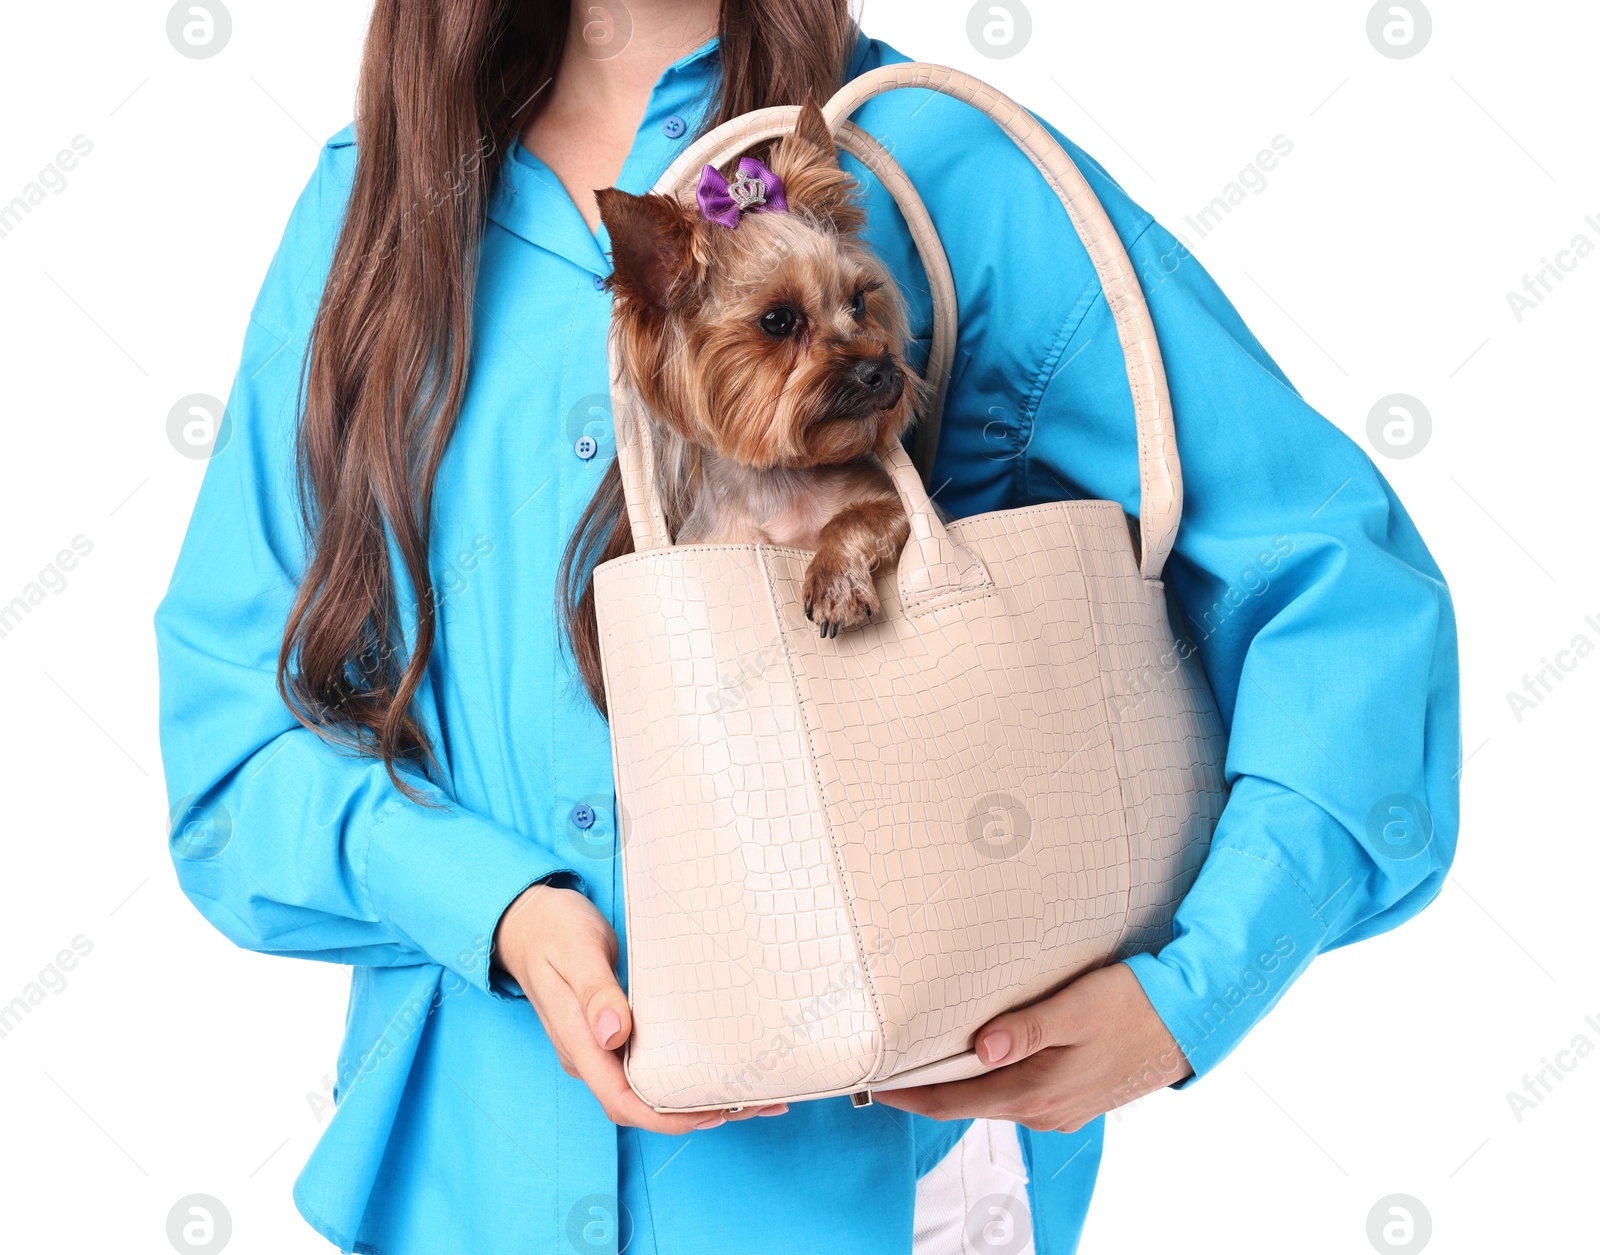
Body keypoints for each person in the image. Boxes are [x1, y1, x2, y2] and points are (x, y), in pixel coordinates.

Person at [154, 2, 1460, 1252]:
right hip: (452, 1193)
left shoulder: (940, 171)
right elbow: (233, 747)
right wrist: (497, 911)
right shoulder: (371, 219)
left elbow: (1342, 590)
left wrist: (1192, 993)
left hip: (893, 1182)